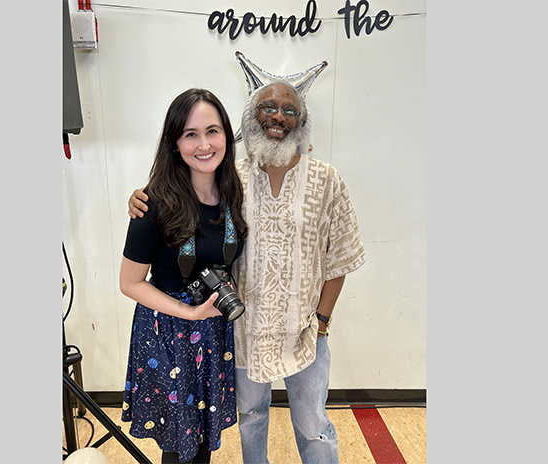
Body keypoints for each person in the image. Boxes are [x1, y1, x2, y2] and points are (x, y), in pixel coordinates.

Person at [128, 81, 365, 464]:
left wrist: (322, 322)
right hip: (241, 331)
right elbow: (182, 195)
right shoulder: (230, 178)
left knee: (313, 427)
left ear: (302, 122)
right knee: (250, 418)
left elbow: (340, 256)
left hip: (304, 332)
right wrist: (142, 198)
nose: (278, 117)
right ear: (250, 119)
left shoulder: (326, 180)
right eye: (268, 107)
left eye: (290, 111)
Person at [119, 88, 248, 464]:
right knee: (179, 446)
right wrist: (189, 312)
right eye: (190, 134)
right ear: (175, 143)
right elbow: (129, 283)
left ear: (227, 135)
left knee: (203, 440)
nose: (204, 144)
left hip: (212, 330)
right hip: (169, 334)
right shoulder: (153, 202)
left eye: (213, 131)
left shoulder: (232, 194)